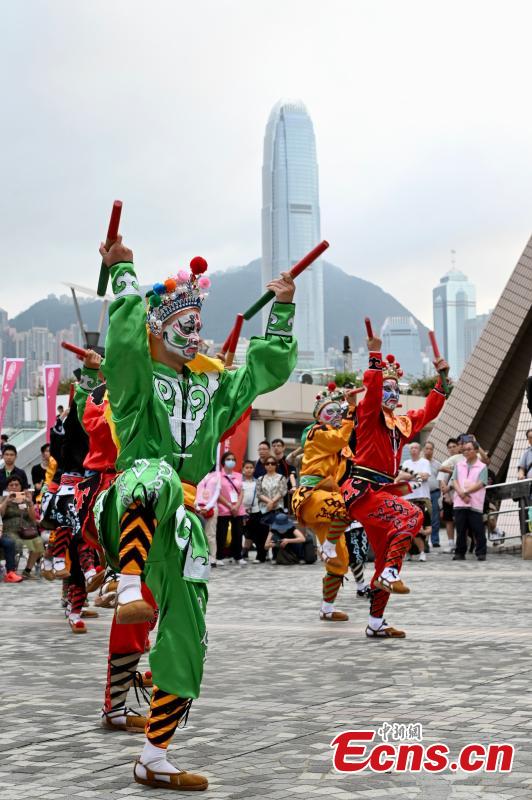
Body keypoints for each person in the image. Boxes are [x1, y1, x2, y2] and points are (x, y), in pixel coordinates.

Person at [95, 235, 297, 789]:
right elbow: (124, 342)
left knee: (190, 633)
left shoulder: (210, 388)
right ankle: (129, 585)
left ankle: (154, 756)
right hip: (127, 504)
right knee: (155, 473)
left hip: (180, 525)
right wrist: (123, 272)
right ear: (156, 330)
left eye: (197, 323)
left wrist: (282, 306)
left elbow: (264, 369)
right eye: (182, 324)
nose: (195, 333)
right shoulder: (135, 384)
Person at [339, 338, 449, 639]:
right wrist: (374, 355)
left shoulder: (400, 423)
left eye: (395, 389)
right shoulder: (368, 416)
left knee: (389, 551)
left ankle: (376, 622)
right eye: (387, 387)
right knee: (412, 516)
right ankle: (389, 574)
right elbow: (371, 394)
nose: (391, 392)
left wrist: (441, 380)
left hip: (382, 493)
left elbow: (428, 411)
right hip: (363, 491)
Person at [292, 382, 359, 621]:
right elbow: (341, 438)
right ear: (319, 417)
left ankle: (327, 608)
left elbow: (347, 444)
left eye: (336, 411)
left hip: (327, 498)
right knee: (348, 508)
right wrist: (350, 411)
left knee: (341, 560)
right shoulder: (317, 433)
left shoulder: (335, 444)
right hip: (313, 494)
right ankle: (327, 546)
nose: (334, 415)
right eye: (327, 412)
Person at [450, 440, 488, 561]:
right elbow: (454, 480)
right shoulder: (459, 465)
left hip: (474, 502)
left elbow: (481, 483)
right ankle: (460, 553)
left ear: (476, 451)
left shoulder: (482, 466)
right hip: (460, 502)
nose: (466, 451)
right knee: (461, 530)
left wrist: (466, 492)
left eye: (469, 449)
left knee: (478, 529)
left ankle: (481, 552)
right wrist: (461, 493)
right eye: (464, 449)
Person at [0, 476, 43, 579]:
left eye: (17, 485)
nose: (14, 487)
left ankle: (27, 571)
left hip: (25, 530)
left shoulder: (25, 500)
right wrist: (6, 501)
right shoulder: (3, 498)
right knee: (16, 543)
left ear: (21, 487)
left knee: (38, 542)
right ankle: (12, 570)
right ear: (7, 487)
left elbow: (33, 519)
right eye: (11, 485)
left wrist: (30, 503)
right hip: (9, 530)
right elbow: (0, 515)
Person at [402, 442, 432, 562]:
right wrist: (416, 476)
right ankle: (409, 551)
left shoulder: (425, 462)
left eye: (416, 448)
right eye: (412, 448)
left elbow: (425, 477)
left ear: (420, 450)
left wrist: (409, 476)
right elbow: (401, 476)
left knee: (423, 525)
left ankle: (423, 550)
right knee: (408, 527)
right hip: (408, 498)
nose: (413, 450)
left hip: (422, 497)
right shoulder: (406, 463)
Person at [216, 451, 246, 565]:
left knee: (238, 533)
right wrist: (229, 505)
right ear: (223, 461)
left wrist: (236, 506)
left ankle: (237, 556)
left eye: (233, 459)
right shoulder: (218, 476)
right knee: (221, 534)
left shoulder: (239, 475)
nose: (231, 461)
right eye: (228, 459)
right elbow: (217, 493)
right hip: (223, 509)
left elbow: (242, 492)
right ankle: (219, 557)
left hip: (238, 510)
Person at [241, 460, 268, 562]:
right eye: (246, 468)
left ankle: (260, 556)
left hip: (256, 511)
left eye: (251, 468)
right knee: (246, 534)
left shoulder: (258, 481)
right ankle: (242, 553)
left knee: (258, 534)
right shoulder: (240, 482)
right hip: (243, 512)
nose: (249, 470)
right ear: (243, 470)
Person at [195, 469, 221, 567]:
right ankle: (200, 556)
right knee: (198, 534)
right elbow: (193, 489)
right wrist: (197, 506)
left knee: (211, 534)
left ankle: (212, 557)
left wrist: (207, 507)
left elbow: (217, 492)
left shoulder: (217, 475)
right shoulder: (197, 472)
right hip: (197, 507)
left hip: (212, 508)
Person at [256, 457, 288, 529]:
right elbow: (259, 493)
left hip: (278, 509)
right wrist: (269, 502)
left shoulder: (281, 477)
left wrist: (272, 502)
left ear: (276, 465)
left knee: (277, 534)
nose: (270, 465)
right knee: (264, 535)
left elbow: (282, 491)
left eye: (272, 463)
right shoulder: (260, 479)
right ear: (264, 465)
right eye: (267, 463)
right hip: (264, 509)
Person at [344, 519, 370, 598]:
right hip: (344, 522)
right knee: (354, 557)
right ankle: (361, 588)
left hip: (358, 522)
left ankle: (361, 588)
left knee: (358, 556)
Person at [423, 440, 442, 548]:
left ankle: (435, 540)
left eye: (431, 449)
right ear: (423, 450)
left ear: (433, 450)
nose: (429, 451)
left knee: (435, 518)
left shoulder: (437, 464)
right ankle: (425, 540)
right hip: (424, 494)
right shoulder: (420, 463)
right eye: (427, 448)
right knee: (424, 517)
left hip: (435, 493)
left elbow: (441, 479)